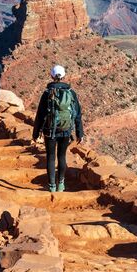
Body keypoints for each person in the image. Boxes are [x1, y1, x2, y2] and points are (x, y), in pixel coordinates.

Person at [32, 64, 84, 192]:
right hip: (66, 130)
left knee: (50, 157)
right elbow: (77, 114)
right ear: (64, 76)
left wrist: (36, 133)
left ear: (51, 75)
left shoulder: (47, 93)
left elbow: (40, 115)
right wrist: (79, 133)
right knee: (62, 156)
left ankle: (51, 186)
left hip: (50, 131)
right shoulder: (71, 93)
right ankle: (61, 184)